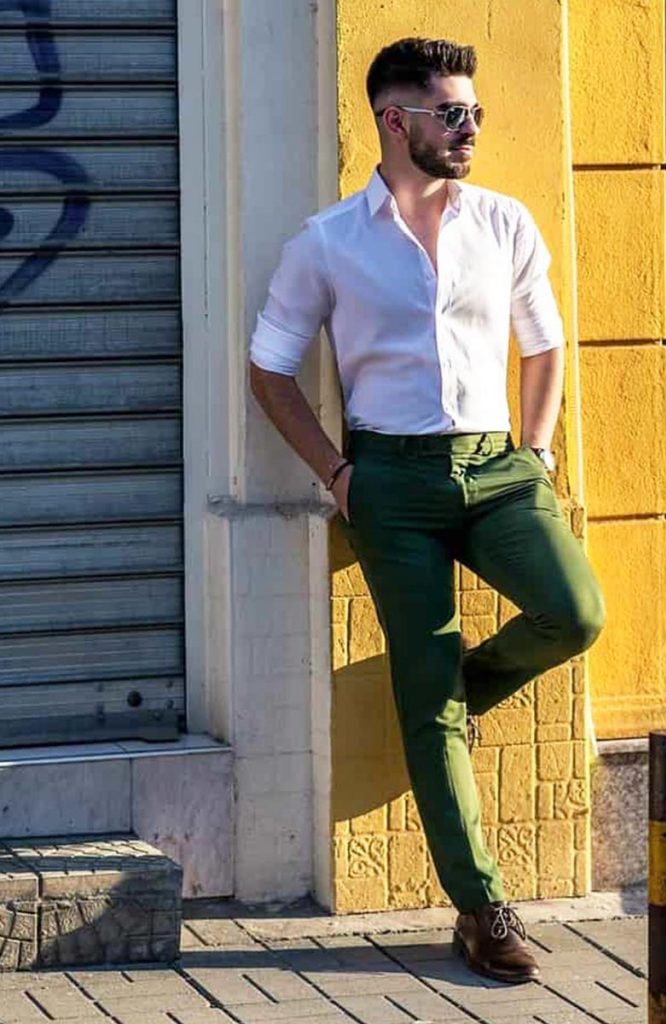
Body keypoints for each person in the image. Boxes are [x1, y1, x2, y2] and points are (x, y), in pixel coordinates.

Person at [249, 37, 605, 984]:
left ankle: (458, 699)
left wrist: (533, 456)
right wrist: (336, 474)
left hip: (498, 471)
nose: (472, 128)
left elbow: (543, 344)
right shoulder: (327, 241)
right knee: (425, 687)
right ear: (395, 120)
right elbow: (269, 367)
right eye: (453, 113)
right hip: (390, 485)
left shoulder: (502, 222)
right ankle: (482, 909)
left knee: (576, 613)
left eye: (476, 111)